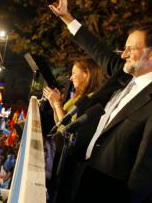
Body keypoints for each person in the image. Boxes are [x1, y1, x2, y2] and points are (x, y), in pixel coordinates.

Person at [48, 0, 152, 203]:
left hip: (109, 193)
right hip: (82, 175)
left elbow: (147, 171)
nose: (125, 55)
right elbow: (98, 49)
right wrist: (67, 17)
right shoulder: (125, 74)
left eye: (132, 49)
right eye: (125, 48)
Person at [42, 58, 104, 203]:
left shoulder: (90, 100)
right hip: (60, 152)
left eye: (74, 73)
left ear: (86, 74)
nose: (70, 77)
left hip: (69, 160)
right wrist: (53, 105)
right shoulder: (78, 96)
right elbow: (59, 125)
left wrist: (57, 104)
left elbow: (69, 129)